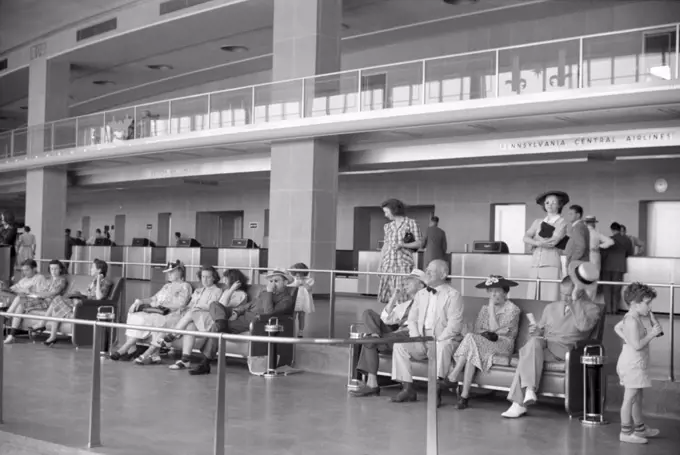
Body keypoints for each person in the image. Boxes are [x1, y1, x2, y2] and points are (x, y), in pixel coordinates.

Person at [501, 263, 601, 418]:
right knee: (533, 344)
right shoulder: (551, 307)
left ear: (579, 292)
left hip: (567, 350)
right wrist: (536, 331)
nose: (565, 298)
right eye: (562, 294)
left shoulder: (591, 309)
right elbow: (541, 330)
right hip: (546, 346)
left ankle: (518, 403)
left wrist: (575, 302)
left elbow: (582, 326)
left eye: (568, 294)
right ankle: (528, 391)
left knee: (527, 356)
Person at [187, 268, 294, 375]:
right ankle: (221, 323)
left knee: (216, 327)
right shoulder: (264, 293)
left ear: (285, 282)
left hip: (253, 323)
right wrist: (236, 312)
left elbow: (269, 313)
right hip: (236, 318)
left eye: (276, 281)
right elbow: (248, 305)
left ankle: (205, 363)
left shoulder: (287, 299)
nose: (273, 284)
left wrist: (269, 293)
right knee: (214, 304)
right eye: (271, 281)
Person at [390, 259, 464, 406]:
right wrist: (417, 339)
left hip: (444, 337)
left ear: (443, 274)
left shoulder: (453, 295)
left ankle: (435, 391)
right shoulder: (421, 294)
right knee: (399, 346)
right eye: (427, 270)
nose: (427, 273)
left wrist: (435, 342)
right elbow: (412, 320)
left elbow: (454, 326)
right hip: (422, 337)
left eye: (431, 271)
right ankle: (407, 388)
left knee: (442, 346)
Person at [446, 275, 521, 410]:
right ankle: (464, 396)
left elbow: (494, 330)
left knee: (471, 340)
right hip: (482, 342)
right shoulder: (484, 309)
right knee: (471, 350)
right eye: (491, 291)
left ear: (505, 292)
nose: (493, 294)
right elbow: (477, 330)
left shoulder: (513, 309)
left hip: (503, 344)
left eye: (497, 291)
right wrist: (491, 330)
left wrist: (491, 310)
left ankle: (454, 374)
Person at [350, 269, 427, 398]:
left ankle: (372, 383)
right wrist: (393, 298)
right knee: (368, 313)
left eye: (410, 282)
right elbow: (386, 318)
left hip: (409, 335)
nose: (405, 285)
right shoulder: (405, 305)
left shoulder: (428, 302)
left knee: (369, 341)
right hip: (395, 334)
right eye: (405, 282)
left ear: (421, 285)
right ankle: (374, 336)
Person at [111, 260, 193, 362]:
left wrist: (160, 304)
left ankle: (125, 349)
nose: (169, 274)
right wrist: (140, 301)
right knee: (134, 314)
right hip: (158, 312)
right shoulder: (167, 286)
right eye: (168, 272)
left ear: (180, 271)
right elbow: (153, 298)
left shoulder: (185, 286)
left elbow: (181, 304)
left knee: (149, 319)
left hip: (172, 315)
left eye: (172, 272)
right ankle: (130, 348)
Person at [613, 282, 662, 444]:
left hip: (637, 364)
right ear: (635, 304)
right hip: (632, 365)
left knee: (637, 397)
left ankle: (640, 428)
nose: (649, 307)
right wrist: (652, 333)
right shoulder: (632, 320)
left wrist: (627, 337)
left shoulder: (633, 317)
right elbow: (637, 345)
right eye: (647, 303)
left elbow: (617, 328)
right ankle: (625, 432)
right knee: (630, 398)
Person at [157, 265, 224, 370]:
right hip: (195, 319)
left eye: (208, 277)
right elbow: (190, 305)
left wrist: (196, 307)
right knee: (190, 327)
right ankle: (185, 360)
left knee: (192, 313)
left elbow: (212, 306)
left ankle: (170, 337)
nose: (205, 280)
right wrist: (185, 308)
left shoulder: (217, 291)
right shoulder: (199, 290)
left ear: (214, 278)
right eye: (203, 277)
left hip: (207, 319)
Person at [41, 259, 113, 346]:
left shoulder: (106, 282)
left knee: (57, 301)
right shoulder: (92, 281)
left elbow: (99, 298)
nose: (90, 269)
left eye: (93, 267)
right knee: (57, 301)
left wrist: (98, 280)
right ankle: (51, 336)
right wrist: (78, 294)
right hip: (83, 302)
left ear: (99, 270)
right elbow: (89, 295)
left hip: (89, 306)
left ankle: (46, 329)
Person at [524, 191, 569, 301]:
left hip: (551, 263)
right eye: (547, 202)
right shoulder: (537, 221)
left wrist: (534, 240)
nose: (549, 205)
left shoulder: (562, 223)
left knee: (549, 297)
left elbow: (552, 242)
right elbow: (525, 238)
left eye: (554, 202)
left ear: (559, 205)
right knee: (532, 296)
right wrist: (537, 242)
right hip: (535, 264)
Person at [378, 199, 423, 305]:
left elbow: (419, 243)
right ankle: (390, 320)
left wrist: (403, 245)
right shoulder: (388, 226)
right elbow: (385, 246)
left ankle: (403, 320)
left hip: (403, 265)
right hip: (388, 266)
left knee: (403, 296)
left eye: (386, 212)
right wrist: (380, 265)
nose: (385, 215)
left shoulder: (411, 223)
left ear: (393, 210)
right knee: (389, 297)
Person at [2, 259, 51, 344]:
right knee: (20, 306)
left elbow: (44, 294)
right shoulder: (24, 279)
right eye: (23, 270)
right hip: (25, 301)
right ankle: (11, 335)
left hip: (39, 301)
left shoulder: (39, 278)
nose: (25, 272)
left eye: (27, 270)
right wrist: (4, 287)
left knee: (19, 299)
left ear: (34, 269)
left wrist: (28, 292)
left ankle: (5, 319)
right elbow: (13, 288)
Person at [601, 222, 634, 315]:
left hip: (606, 266)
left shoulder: (608, 240)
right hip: (619, 267)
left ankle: (608, 309)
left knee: (607, 288)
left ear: (612, 230)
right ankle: (615, 309)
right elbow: (630, 253)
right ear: (620, 229)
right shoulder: (627, 240)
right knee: (616, 289)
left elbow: (602, 253)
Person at [289, 262, 314, 338]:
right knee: (292, 316)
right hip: (294, 300)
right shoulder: (292, 279)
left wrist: (303, 282)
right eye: (296, 273)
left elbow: (309, 289)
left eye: (300, 272)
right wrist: (296, 282)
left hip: (303, 301)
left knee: (302, 316)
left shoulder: (309, 280)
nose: (298, 274)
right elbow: (289, 286)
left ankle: (300, 331)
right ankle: (291, 330)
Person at [564, 204, 589, 270]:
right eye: (568, 214)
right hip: (580, 262)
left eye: (571, 214)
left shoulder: (578, 227)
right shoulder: (580, 226)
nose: (568, 216)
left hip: (577, 263)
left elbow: (581, 247)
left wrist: (572, 260)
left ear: (578, 215)